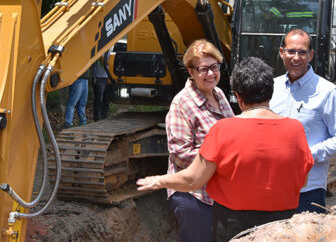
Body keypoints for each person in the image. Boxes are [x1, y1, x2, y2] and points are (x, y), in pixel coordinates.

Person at [137, 57, 314, 242]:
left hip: (233, 227)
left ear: (237, 95)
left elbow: (193, 180)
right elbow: (302, 181)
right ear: (271, 91)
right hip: (281, 228)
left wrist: (160, 180)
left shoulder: (223, 129)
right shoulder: (295, 129)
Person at [165, 39, 234, 242]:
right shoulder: (182, 104)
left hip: (219, 193)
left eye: (215, 67)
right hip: (193, 196)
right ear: (191, 71)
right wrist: (221, 158)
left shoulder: (219, 95)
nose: (211, 74)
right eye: (203, 69)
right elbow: (180, 154)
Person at [270, 28, 336, 213]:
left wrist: (307, 154)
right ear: (282, 52)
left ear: (311, 55)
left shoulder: (327, 92)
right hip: (273, 187)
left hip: (309, 191)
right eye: (291, 51)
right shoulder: (272, 88)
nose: (296, 57)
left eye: (302, 52)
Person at [92, 51, 110, 121]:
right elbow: (106, 61)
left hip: (109, 77)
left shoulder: (110, 51)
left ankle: (104, 116)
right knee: (98, 99)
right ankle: (97, 118)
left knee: (107, 99)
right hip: (99, 77)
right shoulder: (99, 51)